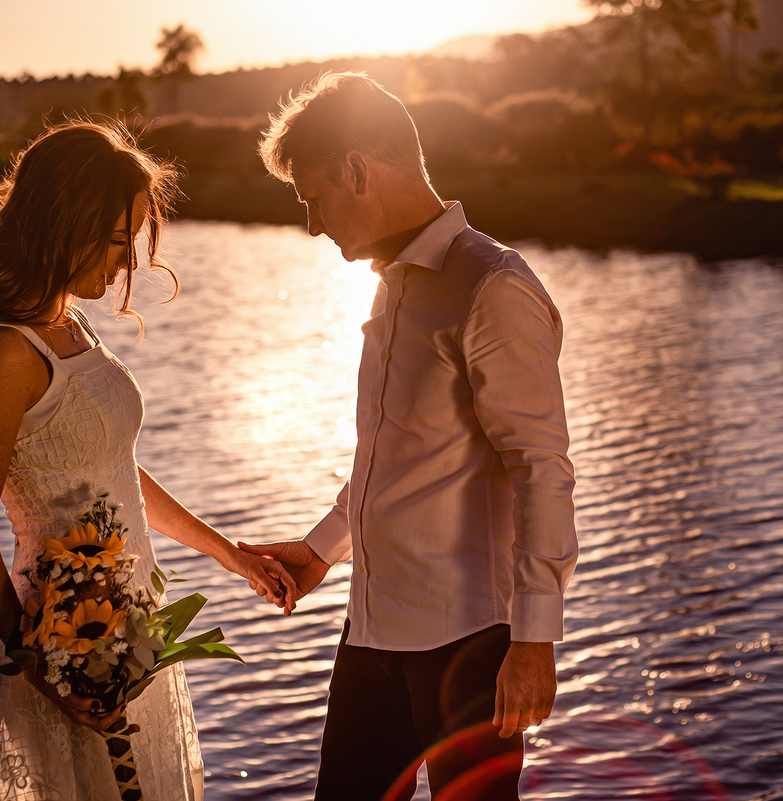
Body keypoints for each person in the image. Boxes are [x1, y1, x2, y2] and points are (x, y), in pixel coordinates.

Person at [0, 121, 296, 801]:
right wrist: (46, 667)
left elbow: (115, 468)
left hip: (129, 636)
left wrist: (229, 554)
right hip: (65, 648)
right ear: (66, 221)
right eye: (120, 241)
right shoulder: (6, 351)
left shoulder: (72, 324)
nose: (127, 264)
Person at [242, 72, 580, 800]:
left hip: (471, 645)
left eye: (314, 199)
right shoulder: (388, 285)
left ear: (358, 170)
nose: (311, 223)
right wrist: (320, 549)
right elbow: (389, 455)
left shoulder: (493, 287)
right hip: (371, 634)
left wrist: (533, 640)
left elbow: (541, 470)